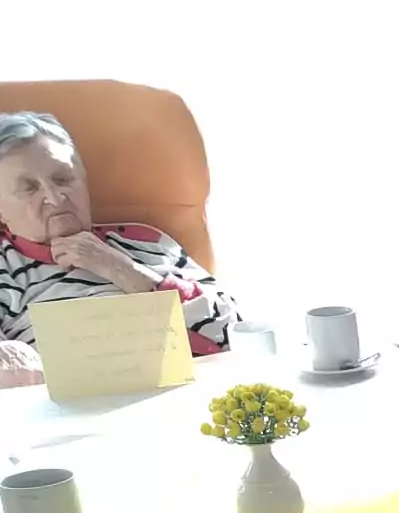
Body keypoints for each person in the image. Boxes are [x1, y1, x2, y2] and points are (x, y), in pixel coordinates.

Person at [0, 112, 235, 388]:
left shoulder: (146, 241)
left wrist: (122, 269)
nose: (54, 197)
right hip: (64, 408)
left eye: (63, 179)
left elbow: (232, 330)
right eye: (29, 188)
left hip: (187, 394)